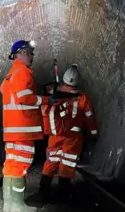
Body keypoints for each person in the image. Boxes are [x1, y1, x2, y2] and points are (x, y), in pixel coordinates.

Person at [0, 40, 53, 212]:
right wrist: (46, 100)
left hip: (12, 129)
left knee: (11, 164)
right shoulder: (22, 72)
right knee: (21, 164)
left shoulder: (11, 74)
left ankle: (8, 204)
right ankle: (17, 204)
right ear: (20, 54)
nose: (31, 56)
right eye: (29, 53)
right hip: (22, 128)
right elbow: (25, 98)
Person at [40, 64, 99, 202]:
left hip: (57, 134)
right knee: (67, 163)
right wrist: (94, 134)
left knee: (51, 161)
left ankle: (43, 192)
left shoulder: (55, 94)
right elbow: (90, 117)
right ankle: (62, 194)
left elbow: (46, 110)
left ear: (64, 78)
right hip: (73, 137)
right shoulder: (83, 98)